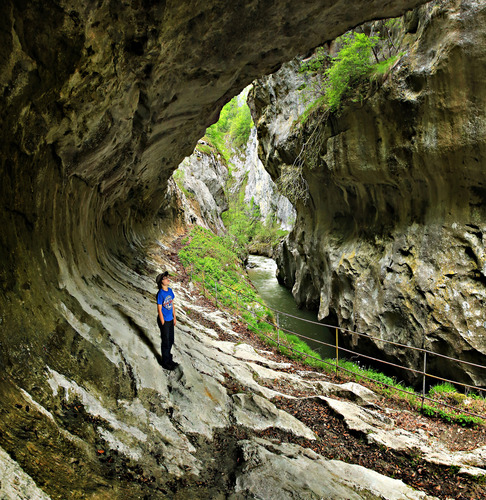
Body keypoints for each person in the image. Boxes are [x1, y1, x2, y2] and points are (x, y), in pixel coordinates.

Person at [156, 271, 178, 370]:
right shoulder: (160, 294)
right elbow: (159, 309)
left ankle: (169, 359)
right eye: (165, 278)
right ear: (161, 282)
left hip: (170, 319)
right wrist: (163, 322)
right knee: (165, 341)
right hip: (164, 320)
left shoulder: (170, 290)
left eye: (167, 277)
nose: (167, 279)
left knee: (171, 340)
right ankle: (165, 362)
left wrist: (174, 317)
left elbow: (172, 304)